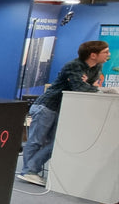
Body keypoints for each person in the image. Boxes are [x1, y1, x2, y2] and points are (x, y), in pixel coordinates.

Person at [18, 40, 111, 186]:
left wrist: (89, 85)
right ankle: (28, 172)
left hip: (62, 109)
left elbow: (89, 86)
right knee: (36, 141)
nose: (108, 55)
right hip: (47, 106)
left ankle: (30, 170)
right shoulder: (73, 65)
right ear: (93, 55)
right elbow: (81, 88)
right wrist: (88, 85)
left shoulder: (96, 67)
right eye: (105, 52)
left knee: (56, 143)